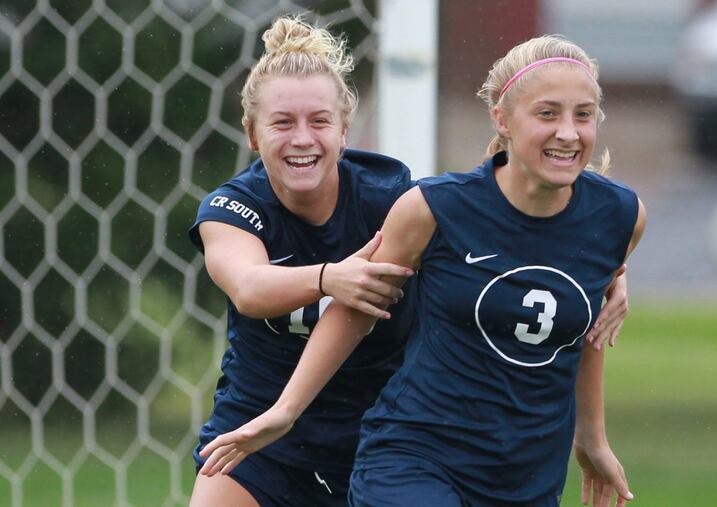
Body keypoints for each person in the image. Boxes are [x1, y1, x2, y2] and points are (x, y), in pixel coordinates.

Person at [190, 15, 632, 506]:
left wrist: (603, 273)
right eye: (282, 123)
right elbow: (250, 289)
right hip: (260, 427)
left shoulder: (395, 201)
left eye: (319, 121)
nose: (302, 139)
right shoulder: (233, 210)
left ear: (344, 131)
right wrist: (330, 278)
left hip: (375, 429)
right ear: (252, 134)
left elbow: (492, 240)